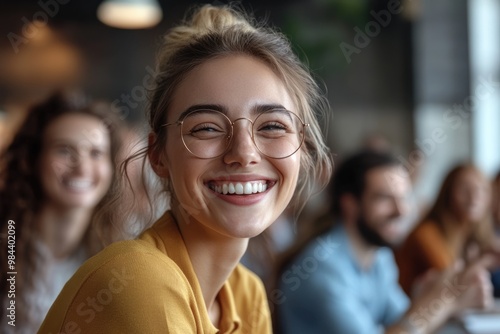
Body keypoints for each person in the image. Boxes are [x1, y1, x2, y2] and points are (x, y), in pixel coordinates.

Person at [39, 4, 333, 333]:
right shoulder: (138, 282)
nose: (244, 153)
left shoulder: (245, 292)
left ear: (302, 148)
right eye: (206, 128)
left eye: (272, 127)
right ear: (158, 155)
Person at [276, 150, 494, 334]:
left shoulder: (379, 255)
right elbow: (411, 323)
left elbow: (401, 321)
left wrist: (433, 296)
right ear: (350, 205)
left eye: (404, 197)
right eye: (384, 198)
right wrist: (440, 301)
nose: (401, 210)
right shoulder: (322, 269)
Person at [0, 92, 123, 334]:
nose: (83, 168)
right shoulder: (6, 244)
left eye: (96, 153)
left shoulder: (119, 258)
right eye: (64, 151)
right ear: (33, 160)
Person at [395, 164, 497, 295]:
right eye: (465, 189)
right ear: (448, 193)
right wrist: (485, 261)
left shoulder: (468, 237)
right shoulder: (426, 234)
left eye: (482, 190)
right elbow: (451, 283)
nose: (474, 197)